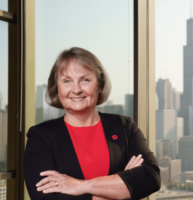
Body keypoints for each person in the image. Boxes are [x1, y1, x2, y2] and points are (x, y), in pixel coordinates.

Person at [23, 47, 161, 200]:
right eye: (67, 81)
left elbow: (151, 178)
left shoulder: (125, 126)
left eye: (85, 80)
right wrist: (122, 185)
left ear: (100, 86)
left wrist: (80, 186)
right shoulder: (40, 136)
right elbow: (45, 197)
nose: (76, 89)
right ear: (57, 88)